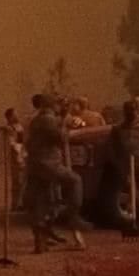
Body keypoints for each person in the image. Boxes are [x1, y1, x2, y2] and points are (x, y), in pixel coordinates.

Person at [25, 93, 93, 253]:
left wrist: (62, 118)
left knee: (42, 202)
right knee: (75, 181)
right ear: (51, 105)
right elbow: (61, 137)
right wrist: (64, 122)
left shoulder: (38, 119)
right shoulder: (47, 120)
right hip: (47, 163)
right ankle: (74, 216)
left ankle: (40, 242)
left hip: (36, 164)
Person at [107, 99, 139, 233]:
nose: (132, 114)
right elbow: (112, 150)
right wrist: (118, 164)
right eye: (129, 111)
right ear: (125, 112)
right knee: (132, 191)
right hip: (124, 165)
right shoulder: (117, 130)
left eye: (134, 110)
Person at [4, 108, 26, 211]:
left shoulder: (19, 126)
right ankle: (15, 204)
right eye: (15, 114)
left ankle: (21, 203)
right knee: (17, 181)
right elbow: (12, 143)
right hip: (16, 155)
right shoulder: (8, 128)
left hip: (22, 153)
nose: (17, 116)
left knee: (23, 181)